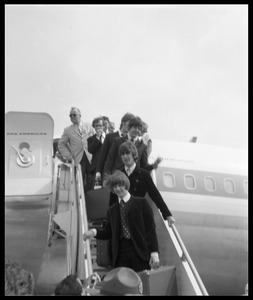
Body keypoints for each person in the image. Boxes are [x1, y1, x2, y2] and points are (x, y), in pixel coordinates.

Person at [83, 170, 160, 273]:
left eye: (120, 185)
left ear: (126, 185)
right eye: (115, 187)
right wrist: (94, 232)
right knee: (123, 286)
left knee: (141, 284)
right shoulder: (112, 210)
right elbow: (108, 233)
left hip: (139, 252)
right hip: (120, 254)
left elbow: (150, 230)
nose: (118, 189)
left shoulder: (141, 203)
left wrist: (154, 252)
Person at [109, 141, 175, 226]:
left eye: (127, 153)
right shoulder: (118, 175)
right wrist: (110, 220)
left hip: (137, 217)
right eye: (122, 154)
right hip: (121, 218)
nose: (125, 156)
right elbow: (112, 201)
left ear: (134, 155)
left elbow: (156, 195)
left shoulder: (144, 174)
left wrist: (167, 215)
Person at [58, 107, 95, 188]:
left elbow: (95, 140)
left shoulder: (89, 126)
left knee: (91, 180)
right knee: (79, 182)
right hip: (78, 158)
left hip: (90, 158)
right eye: (70, 116)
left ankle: (89, 198)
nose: (72, 117)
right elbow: (61, 144)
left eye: (74, 115)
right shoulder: (67, 130)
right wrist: (69, 156)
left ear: (80, 115)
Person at [95, 112, 135, 183]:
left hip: (126, 176)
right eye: (130, 124)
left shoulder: (131, 140)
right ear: (123, 123)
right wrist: (98, 171)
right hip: (111, 174)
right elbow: (102, 156)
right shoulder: (110, 137)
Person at [86, 116, 105, 191]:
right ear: (94, 127)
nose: (98, 127)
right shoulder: (91, 139)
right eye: (96, 126)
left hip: (107, 166)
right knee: (97, 187)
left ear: (103, 126)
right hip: (96, 167)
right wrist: (97, 137)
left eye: (100, 125)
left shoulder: (109, 137)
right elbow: (91, 150)